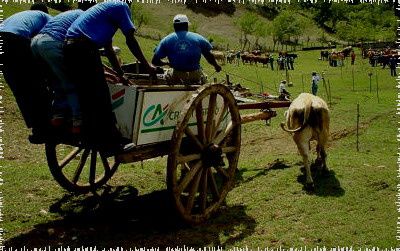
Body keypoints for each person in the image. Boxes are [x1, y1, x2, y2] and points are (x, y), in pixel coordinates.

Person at [64, 0, 156, 155]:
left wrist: (121, 75)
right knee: (101, 97)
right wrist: (147, 65)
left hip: (70, 47)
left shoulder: (104, 13)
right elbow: (130, 39)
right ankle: (112, 145)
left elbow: (109, 50)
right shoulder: (121, 6)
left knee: (87, 96)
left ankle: (90, 135)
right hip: (84, 48)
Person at [0, 3, 52, 144]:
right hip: (16, 40)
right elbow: (46, 42)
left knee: (20, 89)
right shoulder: (46, 17)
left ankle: (37, 129)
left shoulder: (21, 17)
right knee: (37, 84)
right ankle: (46, 125)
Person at [31, 8, 88, 135]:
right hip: (51, 43)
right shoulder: (85, 17)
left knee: (56, 81)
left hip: (36, 42)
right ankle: (77, 120)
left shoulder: (68, 13)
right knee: (70, 83)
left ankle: (58, 115)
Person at [152, 14, 221, 85]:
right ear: (186, 25)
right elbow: (208, 56)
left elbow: (155, 61)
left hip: (177, 75)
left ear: (174, 26)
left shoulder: (166, 40)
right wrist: (216, 66)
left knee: (167, 74)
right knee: (204, 78)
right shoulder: (198, 38)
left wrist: (167, 63)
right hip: (195, 75)